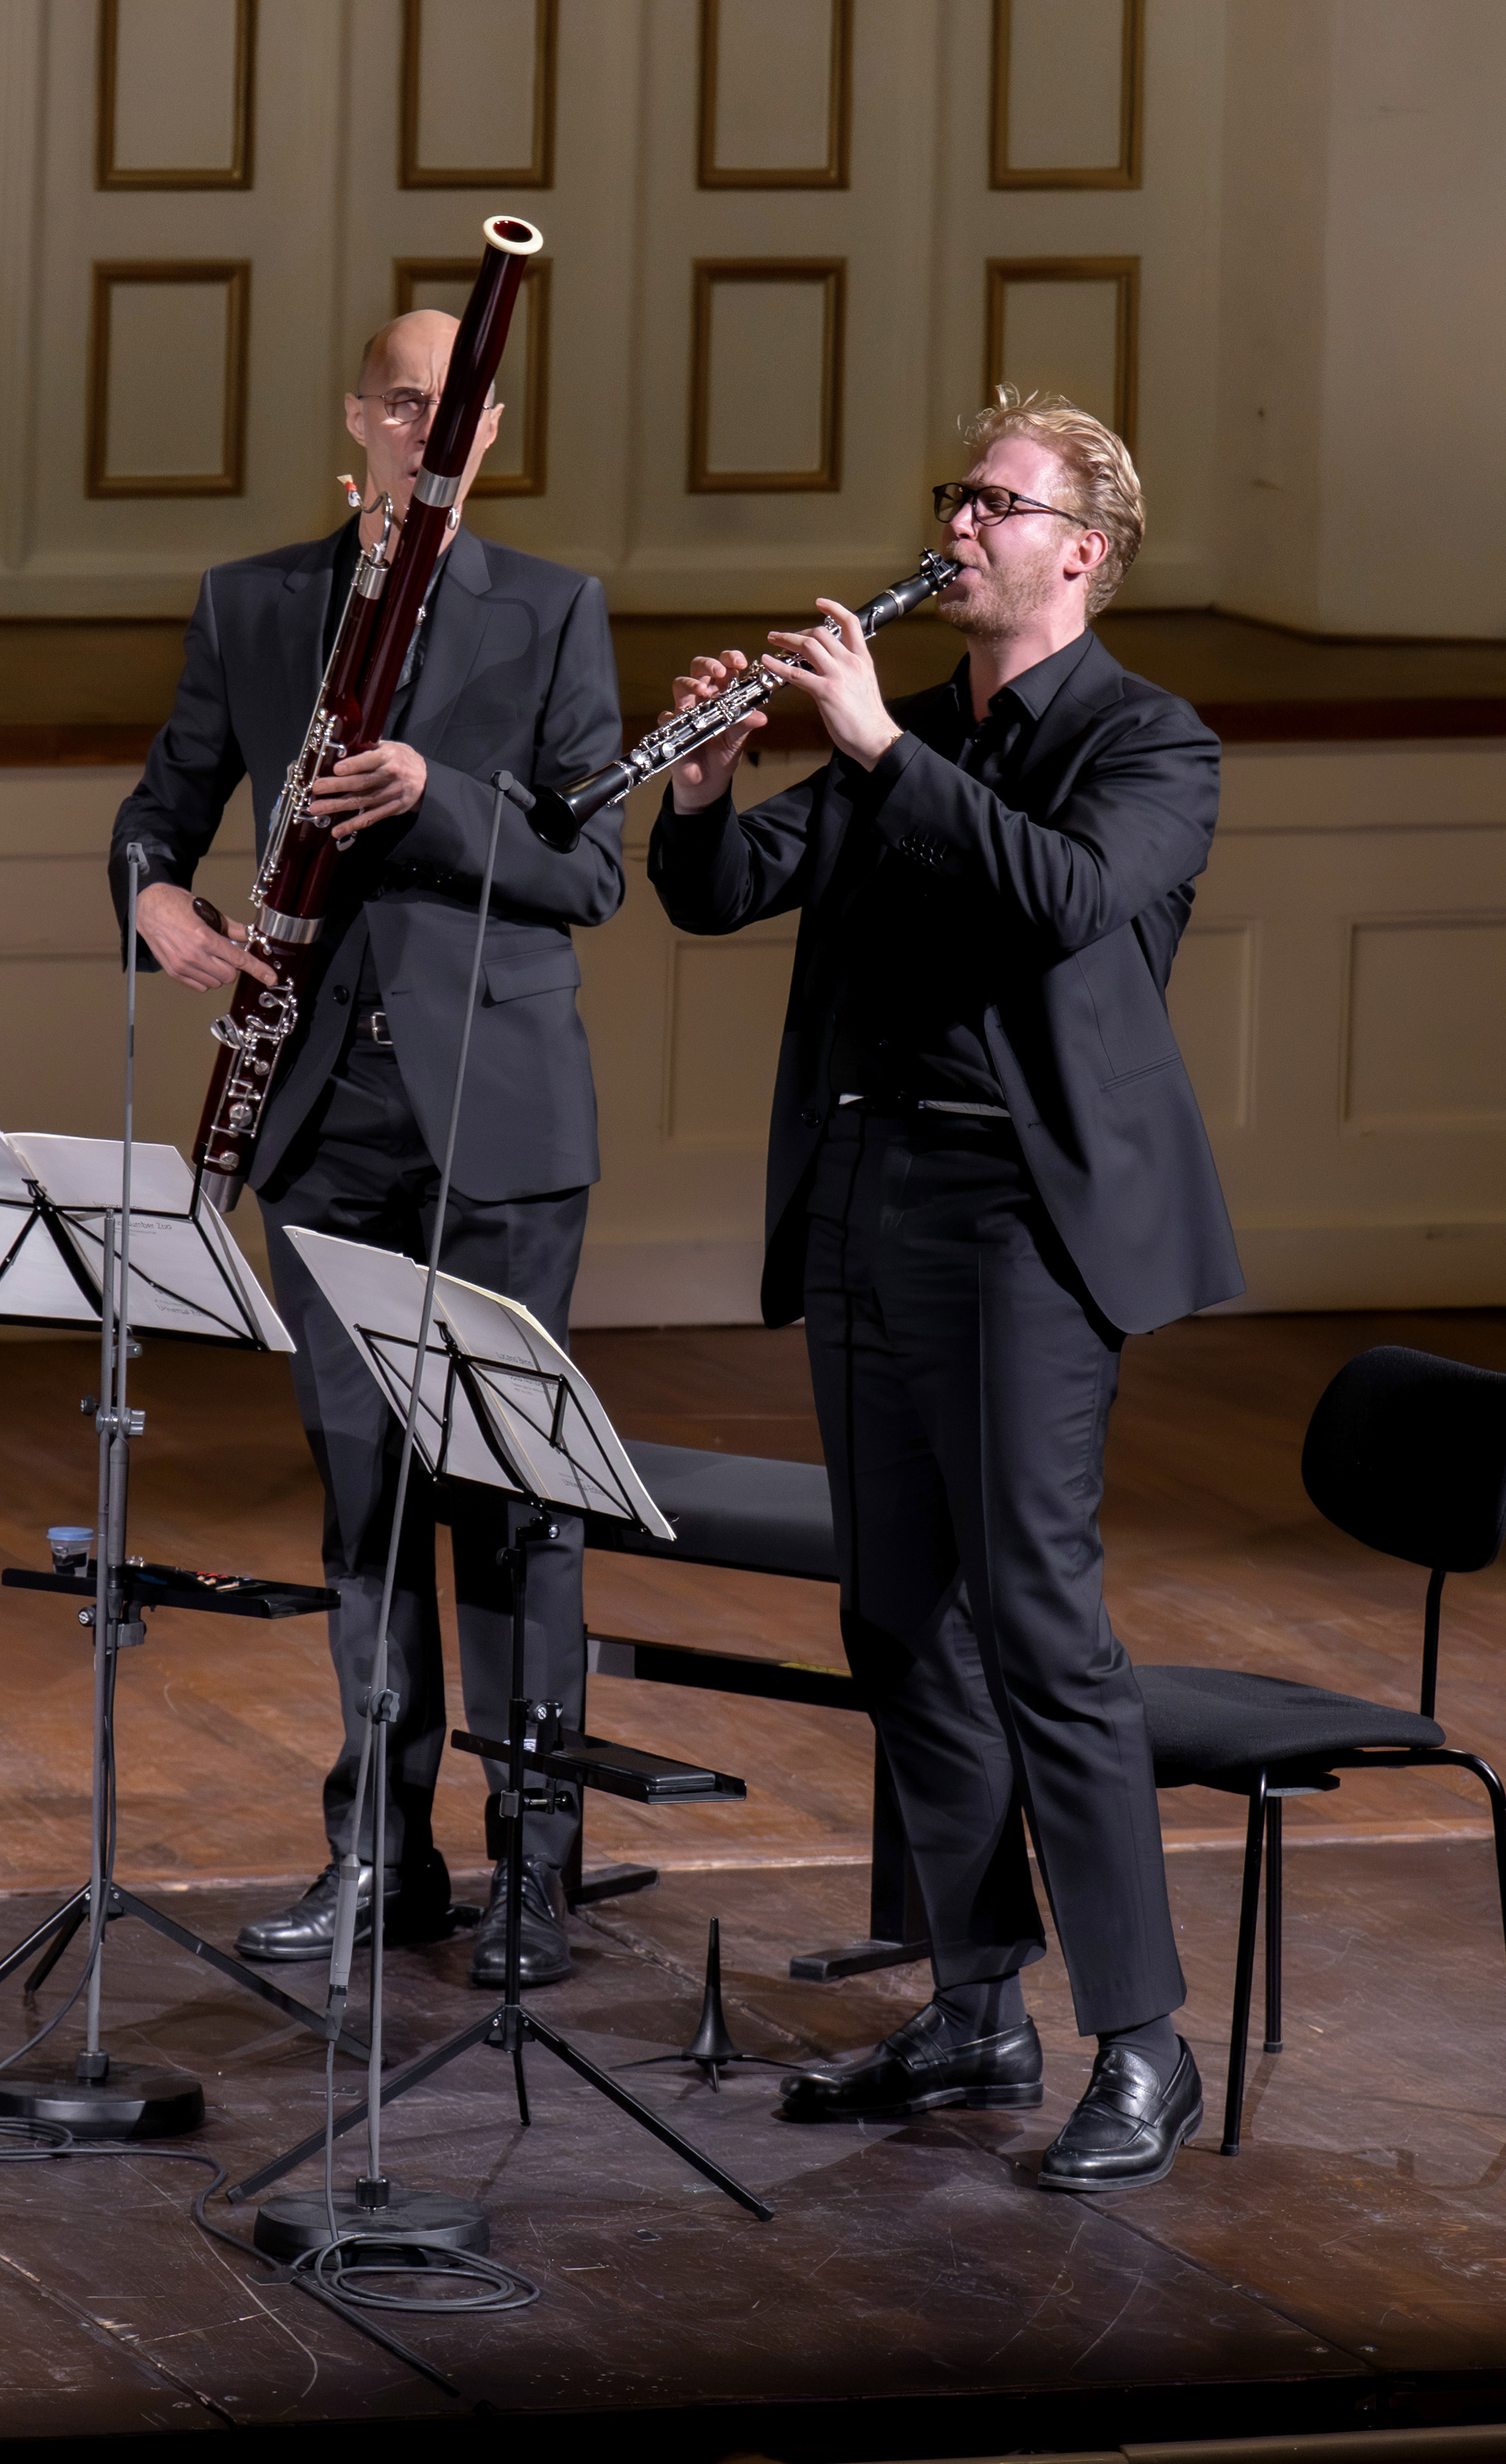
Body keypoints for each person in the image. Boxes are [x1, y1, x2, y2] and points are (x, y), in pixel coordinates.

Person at [647, 389, 1231, 2193]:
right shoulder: (904, 742)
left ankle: (1143, 2041)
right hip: (865, 1190)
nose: (957, 524)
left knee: (1039, 1625)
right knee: (896, 1614)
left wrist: (883, 749)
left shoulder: (1148, 743)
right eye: (954, 496)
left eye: (998, 503)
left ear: (1084, 549)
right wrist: (698, 775)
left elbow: (1064, 903)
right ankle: (976, 1998)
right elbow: (719, 890)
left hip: (1020, 1217)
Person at [113, 310, 624, 1988]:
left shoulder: (551, 611)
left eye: (456, 407)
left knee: (513, 1499)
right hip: (324, 1116)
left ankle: (535, 1870)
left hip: (500, 1123)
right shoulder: (254, 600)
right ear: (362, 416)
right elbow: (162, 802)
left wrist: (436, 794)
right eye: (405, 400)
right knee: (364, 1503)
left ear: (491, 437)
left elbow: (589, 867)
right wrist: (159, 906)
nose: (430, 426)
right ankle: (378, 1854)